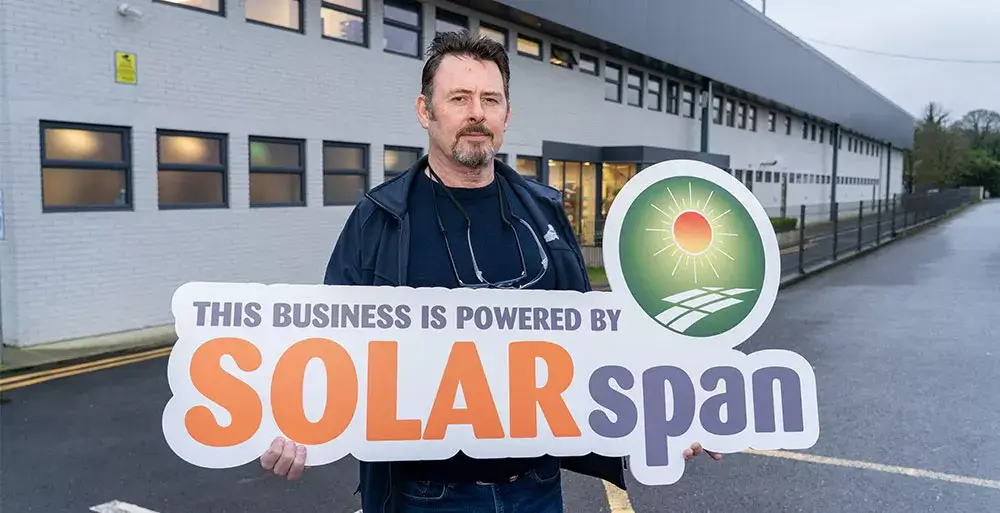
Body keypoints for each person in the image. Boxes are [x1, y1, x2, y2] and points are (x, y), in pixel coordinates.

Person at [259, 30, 721, 512]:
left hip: (536, 488)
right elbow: (327, 340)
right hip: (425, 496)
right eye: (459, 98)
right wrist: (290, 419)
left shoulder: (543, 212)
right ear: (425, 111)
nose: (476, 112)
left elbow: (596, 347)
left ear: (505, 115)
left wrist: (665, 419)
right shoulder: (380, 218)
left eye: (489, 99)